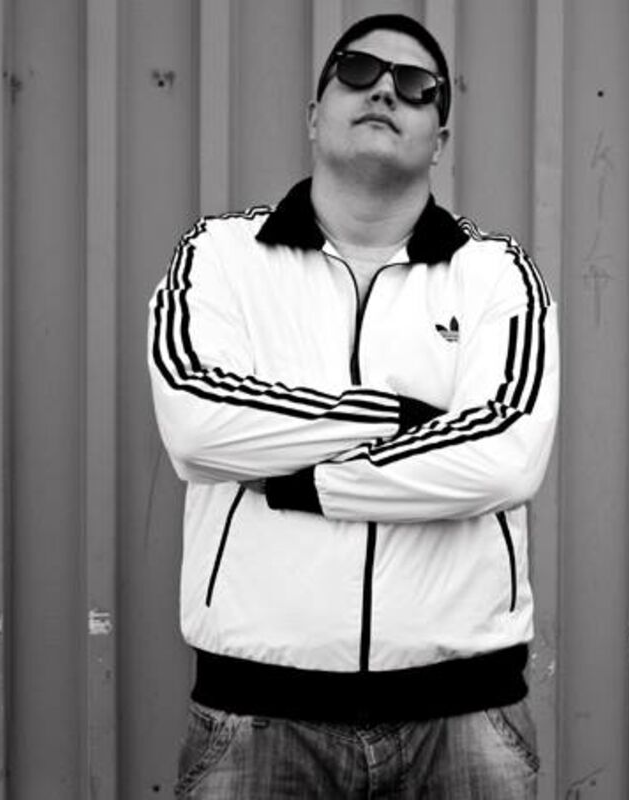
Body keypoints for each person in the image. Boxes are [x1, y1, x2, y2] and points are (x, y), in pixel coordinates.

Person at [147, 13, 558, 798]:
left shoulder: (496, 275)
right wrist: (401, 415)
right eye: (358, 71)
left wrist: (303, 481)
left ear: (439, 138)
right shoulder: (221, 257)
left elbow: (504, 458)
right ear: (314, 115)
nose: (384, 92)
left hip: (463, 721)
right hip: (257, 717)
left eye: (416, 84)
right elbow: (199, 427)